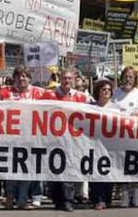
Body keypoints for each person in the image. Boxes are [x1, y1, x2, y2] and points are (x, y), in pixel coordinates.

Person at [41, 68, 88, 212]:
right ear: (60, 79)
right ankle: (57, 200)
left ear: (73, 80)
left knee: (69, 170)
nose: (67, 81)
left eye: (69, 78)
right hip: (54, 140)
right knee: (54, 172)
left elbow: (95, 110)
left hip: (72, 140)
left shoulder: (81, 97)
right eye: (64, 78)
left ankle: (68, 200)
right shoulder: (49, 96)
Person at [0, 66, 45, 210]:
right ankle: (10, 196)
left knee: (27, 169)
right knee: (11, 170)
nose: (21, 79)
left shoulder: (39, 92)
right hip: (11, 138)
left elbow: (58, 101)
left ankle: (22, 199)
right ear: (14, 78)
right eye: (18, 76)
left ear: (30, 79)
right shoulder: (5, 92)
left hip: (31, 138)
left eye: (25, 76)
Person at [111, 66, 138, 207]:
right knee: (122, 165)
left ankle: (137, 195)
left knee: (136, 165)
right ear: (122, 77)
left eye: (131, 77)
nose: (128, 79)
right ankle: (125, 195)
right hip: (120, 135)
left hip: (136, 135)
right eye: (126, 76)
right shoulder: (115, 93)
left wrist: (137, 115)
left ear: (135, 79)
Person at [89, 79, 115, 210]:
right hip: (94, 144)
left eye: (108, 90)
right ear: (98, 91)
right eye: (103, 90)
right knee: (95, 172)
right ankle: (98, 199)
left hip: (110, 146)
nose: (106, 92)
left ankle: (107, 198)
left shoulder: (116, 108)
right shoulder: (90, 107)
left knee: (108, 172)